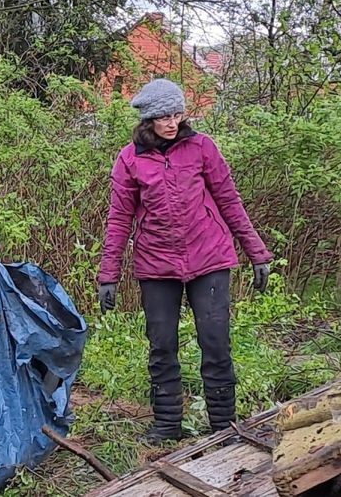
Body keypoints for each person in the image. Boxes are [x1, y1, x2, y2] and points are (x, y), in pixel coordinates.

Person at [98, 78, 273, 444]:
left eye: (177, 114)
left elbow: (229, 200)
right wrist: (108, 275)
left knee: (215, 341)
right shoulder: (129, 159)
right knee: (161, 344)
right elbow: (119, 219)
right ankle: (167, 424)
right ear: (148, 118)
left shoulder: (201, 148)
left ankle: (224, 426)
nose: (171, 122)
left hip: (208, 257)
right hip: (156, 263)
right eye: (163, 116)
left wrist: (257, 251)